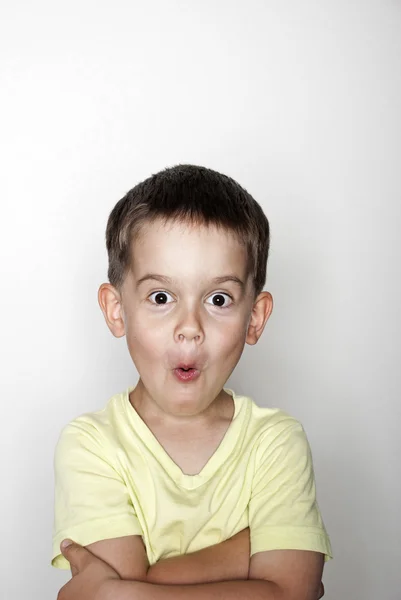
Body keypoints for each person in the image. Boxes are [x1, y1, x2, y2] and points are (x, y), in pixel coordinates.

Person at [52, 164, 332, 600]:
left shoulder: (276, 443)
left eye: (218, 299)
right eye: (161, 297)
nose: (190, 327)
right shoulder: (92, 444)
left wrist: (126, 591)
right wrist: (248, 550)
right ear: (116, 310)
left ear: (254, 319)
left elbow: (292, 592)